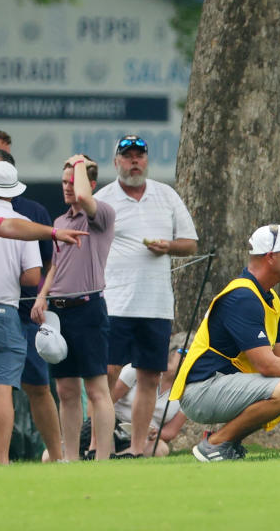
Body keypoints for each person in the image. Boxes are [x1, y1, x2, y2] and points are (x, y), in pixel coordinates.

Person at [170, 224, 280, 462]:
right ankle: (214, 444)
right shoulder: (243, 296)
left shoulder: (269, 296)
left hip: (224, 385)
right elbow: (266, 364)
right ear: (271, 257)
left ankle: (227, 442)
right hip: (201, 390)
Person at [0, 171, 84, 467]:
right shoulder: (13, 220)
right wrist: (52, 233)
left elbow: (3, 231)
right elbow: (32, 276)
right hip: (3, 312)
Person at [94, 134, 198, 457]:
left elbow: (190, 243)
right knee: (107, 375)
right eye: (127, 156)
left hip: (155, 303)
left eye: (139, 156)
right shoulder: (104, 199)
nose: (134, 161)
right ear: (116, 162)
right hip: (115, 301)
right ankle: (98, 444)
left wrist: (168, 246)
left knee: (149, 376)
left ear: (147, 160)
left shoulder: (166, 196)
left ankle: (138, 449)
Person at [0, 147, 65, 462]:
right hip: (6, 312)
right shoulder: (24, 220)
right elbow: (31, 277)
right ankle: (1, 458)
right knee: (2, 390)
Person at [31, 155, 116, 461]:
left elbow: (83, 197)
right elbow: (57, 264)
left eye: (73, 181)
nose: (68, 188)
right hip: (59, 311)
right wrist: (43, 295)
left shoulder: (100, 215)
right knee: (65, 390)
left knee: (96, 389)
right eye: (64, 182)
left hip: (88, 308)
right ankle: (70, 458)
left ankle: (103, 458)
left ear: (90, 184)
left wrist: (79, 160)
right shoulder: (60, 222)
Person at [110, 335, 191, 457]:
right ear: (171, 351)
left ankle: (119, 457)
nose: (187, 359)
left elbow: (171, 432)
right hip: (116, 427)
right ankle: (112, 454)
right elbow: (109, 399)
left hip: (146, 438)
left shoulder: (188, 391)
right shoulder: (137, 370)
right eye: (184, 352)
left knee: (161, 449)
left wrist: (156, 433)